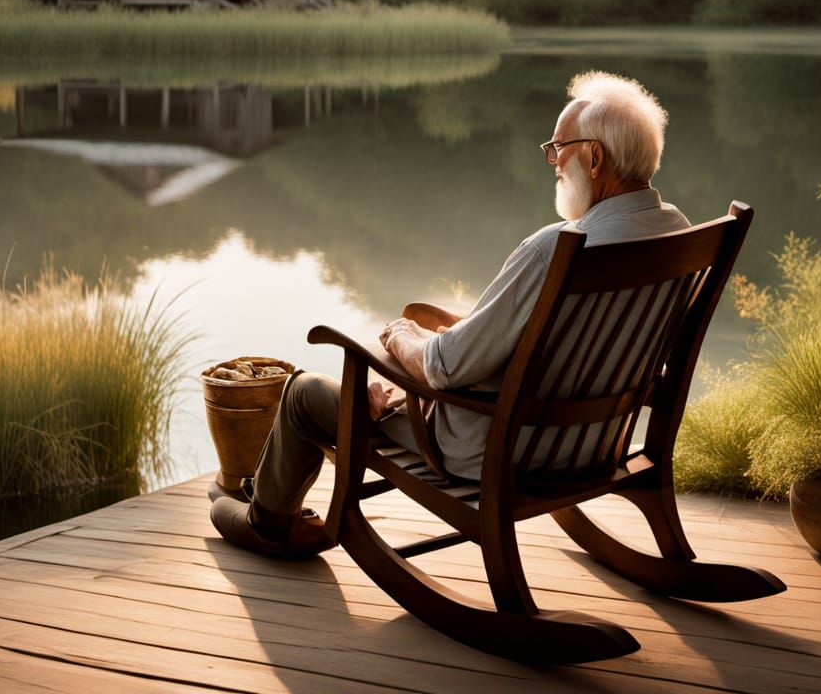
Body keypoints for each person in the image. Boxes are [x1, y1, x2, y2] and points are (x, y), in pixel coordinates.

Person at [210, 70, 690, 557]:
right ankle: (261, 496)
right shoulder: (681, 236)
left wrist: (402, 336)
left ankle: (267, 522)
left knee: (303, 391)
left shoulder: (555, 249)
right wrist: (437, 349)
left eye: (558, 148)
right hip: (592, 446)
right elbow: (546, 346)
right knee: (402, 374)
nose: (552, 162)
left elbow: (445, 367)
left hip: (491, 452)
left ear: (594, 156)